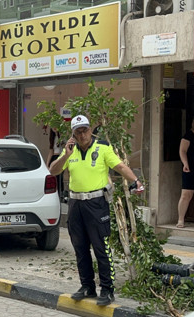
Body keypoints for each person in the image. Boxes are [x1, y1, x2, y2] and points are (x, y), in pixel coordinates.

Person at [48, 115, 143, 306]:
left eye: (85, 130)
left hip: (96, 203)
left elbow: (120, 166)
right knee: (80, 248)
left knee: (101, 247)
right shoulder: (70, 150)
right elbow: (53, 170)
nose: (83, 135)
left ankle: (107, 290)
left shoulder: (103, 147)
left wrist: (135, 181)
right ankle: (87, 286)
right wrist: (65, 155)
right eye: (78, 132)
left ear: (90, 130)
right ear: (73, 134)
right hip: (76, 205)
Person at [48, 127, 65, 201]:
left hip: (60, 156)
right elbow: (51, 151)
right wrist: (47, 163)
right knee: (53, 177)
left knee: (59, 177)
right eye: (52, 126)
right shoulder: (53, 137)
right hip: (54, 157)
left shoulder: (62, 136)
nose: (54, 128)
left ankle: (60, 194)